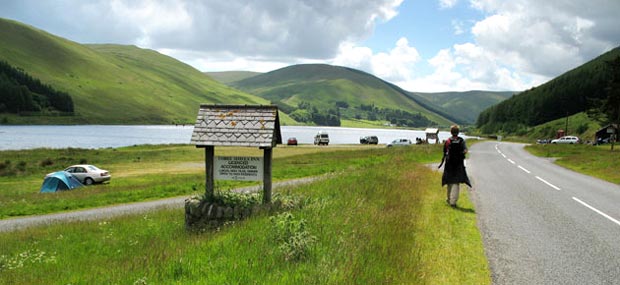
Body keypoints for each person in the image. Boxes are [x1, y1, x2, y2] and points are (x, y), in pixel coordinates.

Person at [440, 125, 471, 207]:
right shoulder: (461, 141)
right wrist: (460, 155)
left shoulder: (447, 141)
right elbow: (465, 150)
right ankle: (453, 202)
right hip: (458, 164)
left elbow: (444, 152)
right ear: (458, 132)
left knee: (449, 181)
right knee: (456, 182)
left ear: (451, 132)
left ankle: (449, 198)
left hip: (449, 164)